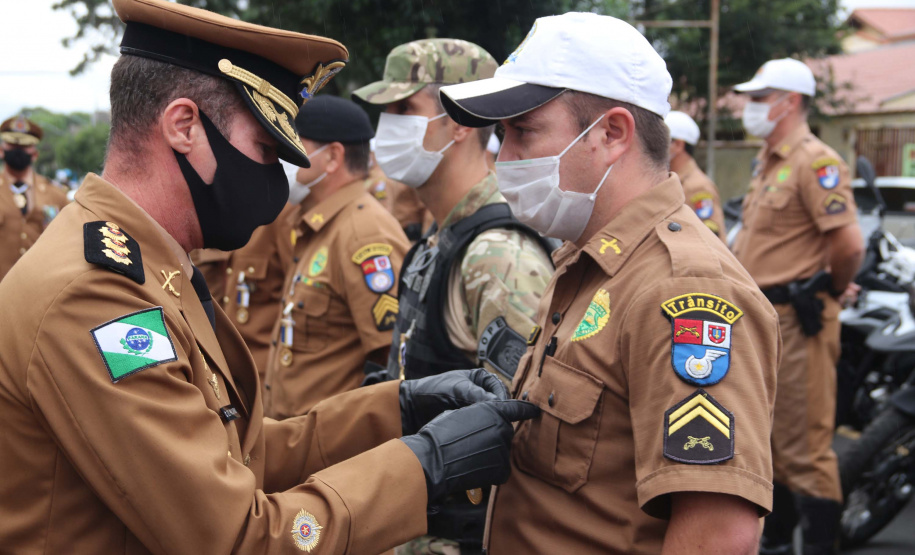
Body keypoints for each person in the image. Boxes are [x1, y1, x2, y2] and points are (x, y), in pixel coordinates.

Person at [0, 1, 538, 553]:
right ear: (184, 126)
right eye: (262, 150)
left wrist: (395, 410)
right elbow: (239, 537)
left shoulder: (149, 267)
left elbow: (241, 453)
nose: (275, 184)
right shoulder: (96, 296)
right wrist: (424, 467)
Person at [440, 12, 782, 553]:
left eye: (523, 131)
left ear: (612, 133)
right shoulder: (587, 261)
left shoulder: (682, 292)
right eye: (501, 136)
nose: (503, 158)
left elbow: (720, 532)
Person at [353, 38, 556, 554]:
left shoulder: (497, 255)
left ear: (462, 120)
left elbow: (522, 426)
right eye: (385, 111)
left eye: (405, 109)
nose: (388, 128)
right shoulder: (437, 239)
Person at [731, 58, 864, 555]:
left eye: (760, 98)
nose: (750, 108)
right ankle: (780, 542)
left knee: (804, 450)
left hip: (798, 320)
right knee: (768, 444)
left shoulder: (816, 161)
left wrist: (826, 288)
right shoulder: (768, 160)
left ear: (789, 101)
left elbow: (848, 245)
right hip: (764, 319)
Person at [262, 95, 411, 418]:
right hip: (296, 446)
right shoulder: (320, 224)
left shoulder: (362, 233)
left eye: (292, 145)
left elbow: (391, 362)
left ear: (332, 157)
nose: (281, 157)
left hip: (332, 454)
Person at [190, 203, 297, 380]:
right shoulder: (207, 203)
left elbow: (297, 291)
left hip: (263, 376)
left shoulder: (280, 213)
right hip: (214, 371)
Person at [0, 115, 68, 280]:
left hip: (40, 288)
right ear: (1, 151)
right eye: (13, 145)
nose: (18, 150)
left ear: (35, 154)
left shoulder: (56, 194)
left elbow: (67, 243)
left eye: (24, 147)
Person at [664, 111, 726, 241]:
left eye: (661, 140)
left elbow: (712, 240)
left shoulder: (698, 186)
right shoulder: (668, 180)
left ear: (678, 145)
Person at [366, 143, 433, 242]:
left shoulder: (381, 178)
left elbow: (386, 207)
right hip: (398, 231)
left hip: (410, 234)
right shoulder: (373, 177)